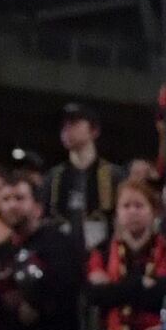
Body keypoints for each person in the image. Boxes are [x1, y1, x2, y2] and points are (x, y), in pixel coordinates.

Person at [0, 167, 85, 330]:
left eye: (19, 198)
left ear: (37, 208)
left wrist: (36, 305)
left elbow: (67, 293)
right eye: (6, 199)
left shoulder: (59, 244)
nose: (12, 205)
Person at [87, 173, 166, 330]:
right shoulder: (102, 251)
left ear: (153, 212)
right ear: (117, 212)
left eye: (139, 206)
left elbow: (165, 293)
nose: (132, 211)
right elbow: (97, 296)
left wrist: (116, 289)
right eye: (126, 206)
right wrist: (142, 284)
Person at [46, 100, 112, 247]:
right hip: (60, 254)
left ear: (94, 131)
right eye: (64, 125)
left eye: (74, 123)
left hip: (102, 256)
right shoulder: (53, 177)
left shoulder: (113, 175)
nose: (67, 129)